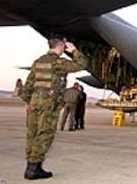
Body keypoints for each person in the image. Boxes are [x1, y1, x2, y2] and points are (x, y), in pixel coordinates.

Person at [21, 37, 87, 180]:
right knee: (45, 133)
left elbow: (29, 83)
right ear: (60, 46)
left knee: (32, 133)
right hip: (48, 103)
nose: (64, 50)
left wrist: (27, 102)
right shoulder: (58, 62)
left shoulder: (38, 61)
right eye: (63, 47)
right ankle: (33, 169)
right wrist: (74, 50)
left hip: (35, 102)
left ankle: (31, 166)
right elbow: (82, 64)